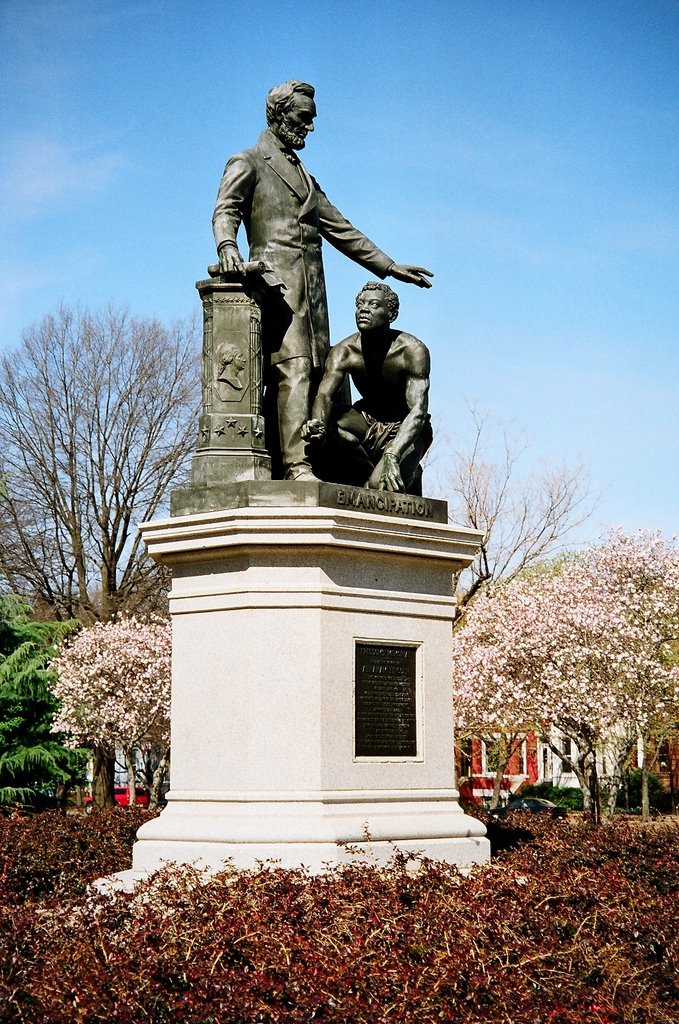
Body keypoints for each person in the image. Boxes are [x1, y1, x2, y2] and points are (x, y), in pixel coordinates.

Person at [212, 80, 432, 482]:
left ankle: (321, 459)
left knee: (316, 372)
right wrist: (228, 246)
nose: (310, 127)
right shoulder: (248, 161)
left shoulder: (305, 177)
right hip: (276, 289)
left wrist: (388, 265)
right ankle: (297, 467)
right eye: (304, 118)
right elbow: (226, 209)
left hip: (313, 296)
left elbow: (341, 229)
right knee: (293, 370)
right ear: (280, 113)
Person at [301, 281, 432, 494]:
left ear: (392, 314)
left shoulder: (413, 351)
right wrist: (317, 424)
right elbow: (324, 395)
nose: (363, 309)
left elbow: (417, 411)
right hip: (366, 422)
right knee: (331, 420)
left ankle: (410, 471)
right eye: (360, 304)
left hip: (405, 429)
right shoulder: (345, 351)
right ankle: (363, 471)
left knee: (380, 488)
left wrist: (394, 454)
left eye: (373, 305)